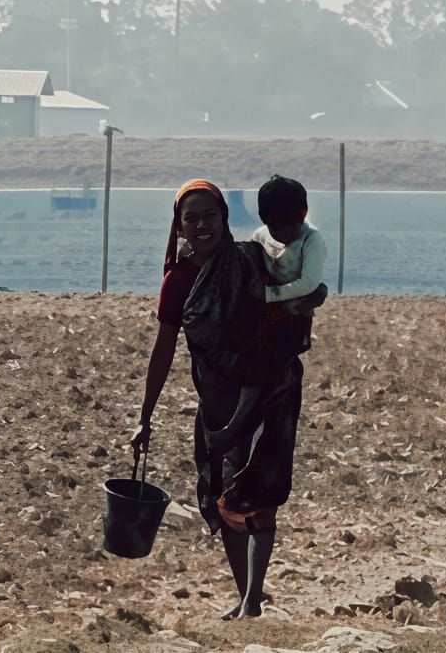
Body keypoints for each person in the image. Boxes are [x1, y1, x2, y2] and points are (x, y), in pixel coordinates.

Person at [130, 180, 303, 620]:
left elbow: (294, 310)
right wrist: (144, 417)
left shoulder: (254, 262)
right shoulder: (180, 280)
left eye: (210, 215)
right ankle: (245, 592)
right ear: (179, 226)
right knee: (225, 496)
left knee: (259, 494)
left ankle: (253, 599)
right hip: (218, 404)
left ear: (225, 218)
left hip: (269, 395)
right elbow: (164, 349)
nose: (201, 224)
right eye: (191, 218)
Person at [249, 174, 330, 322]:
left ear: (303, 214)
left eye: (290, 225)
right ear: (264, 219)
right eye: (276, 227)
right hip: (264, 312)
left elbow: (308, 283)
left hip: (296, 314)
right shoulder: (259, 236)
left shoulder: (311, 239)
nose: (284, 233)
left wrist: (269, 294)